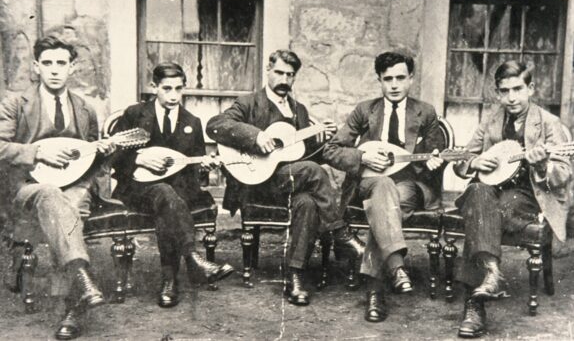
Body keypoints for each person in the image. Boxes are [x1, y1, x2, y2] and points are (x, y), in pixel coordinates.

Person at [206, 49, 364, 306]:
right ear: (268, 71)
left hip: (289, 181)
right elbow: (215, 125)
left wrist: (320, 138)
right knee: (315, 172)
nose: (284, 80)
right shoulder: (249, 103)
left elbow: (305, 154)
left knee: (308, 203)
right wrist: (255, 136)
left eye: (290, 75)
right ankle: (340, 234)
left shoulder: (298, 110)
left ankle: (295, 276)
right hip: (256, 183)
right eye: (279, 72)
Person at [0, 35, 116, 340]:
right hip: (28, 188)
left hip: (75, 185)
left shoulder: (86, 108)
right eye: (47, 63)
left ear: (72, 67)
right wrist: (37, 152)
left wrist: (102, 153)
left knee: (69, 206)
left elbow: (92, 161)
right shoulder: (16, 103)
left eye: (61, 63)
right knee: (53, 196)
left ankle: (71, 307)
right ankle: (80, 280)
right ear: (36, 67)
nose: (54, 70)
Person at [323, 51, 446, 322]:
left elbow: (435, 154)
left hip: (409, 184)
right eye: (387, 78)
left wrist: (434, 162)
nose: (394, 85)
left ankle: (375, 291)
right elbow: (331, 150)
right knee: (382, 190)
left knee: (384, 203)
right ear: (379, 80)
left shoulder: (425, 112)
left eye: (400, 78)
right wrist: (361, 156)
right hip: (367, 182)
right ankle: (396, 266)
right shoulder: (365, 110)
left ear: (411, 79)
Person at [452, 61, 572, 338]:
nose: (512, 97)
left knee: (484, 211)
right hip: (490, 191)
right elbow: (463, 160)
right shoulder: (491, 120)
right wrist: (475, 162)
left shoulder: (549, 124)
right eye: (504, 91)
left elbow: (563, 176)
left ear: (530, 88)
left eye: (518, 89)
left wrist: (541, 166)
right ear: (497, 93)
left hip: (530, 196)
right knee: (477, 192)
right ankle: (492, 273)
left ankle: (474, 306)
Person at [111, 62, 233, 309]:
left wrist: (204, 168)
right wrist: (139, 158)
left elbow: (195, 173)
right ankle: (192, 259)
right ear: (154, 87)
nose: (173, 96)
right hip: (137, 190)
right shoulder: (135, 115)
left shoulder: (192, 121)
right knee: (165, 195)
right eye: (167, 89)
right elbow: (113, 159)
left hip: (176, 193)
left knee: (168, 197)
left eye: (179, 89)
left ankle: (170, 281)